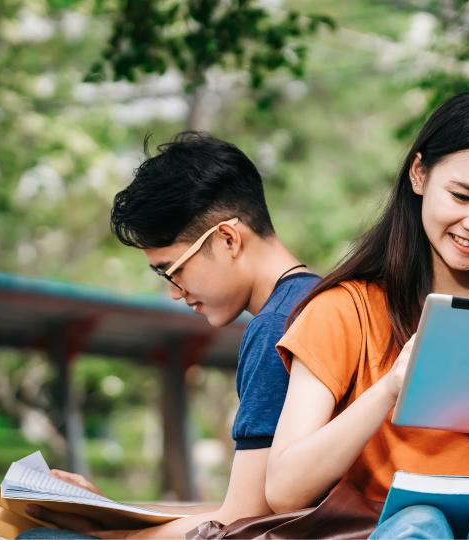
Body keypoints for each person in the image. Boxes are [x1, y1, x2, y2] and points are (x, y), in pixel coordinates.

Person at [265, 91, 469, 539]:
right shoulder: (343, 310)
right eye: (461, 196)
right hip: (380, 527)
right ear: (419, 175)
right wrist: (390, 388)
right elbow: (284, 489)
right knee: (419, 523)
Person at [23, 133, 320, 539]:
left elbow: (240, 521)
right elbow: (242, 506)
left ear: (227, 238)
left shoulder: (276, 328)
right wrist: (112, 511)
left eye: (172, 269)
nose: (174, 293)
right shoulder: (319, 299)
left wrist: (113, 534)